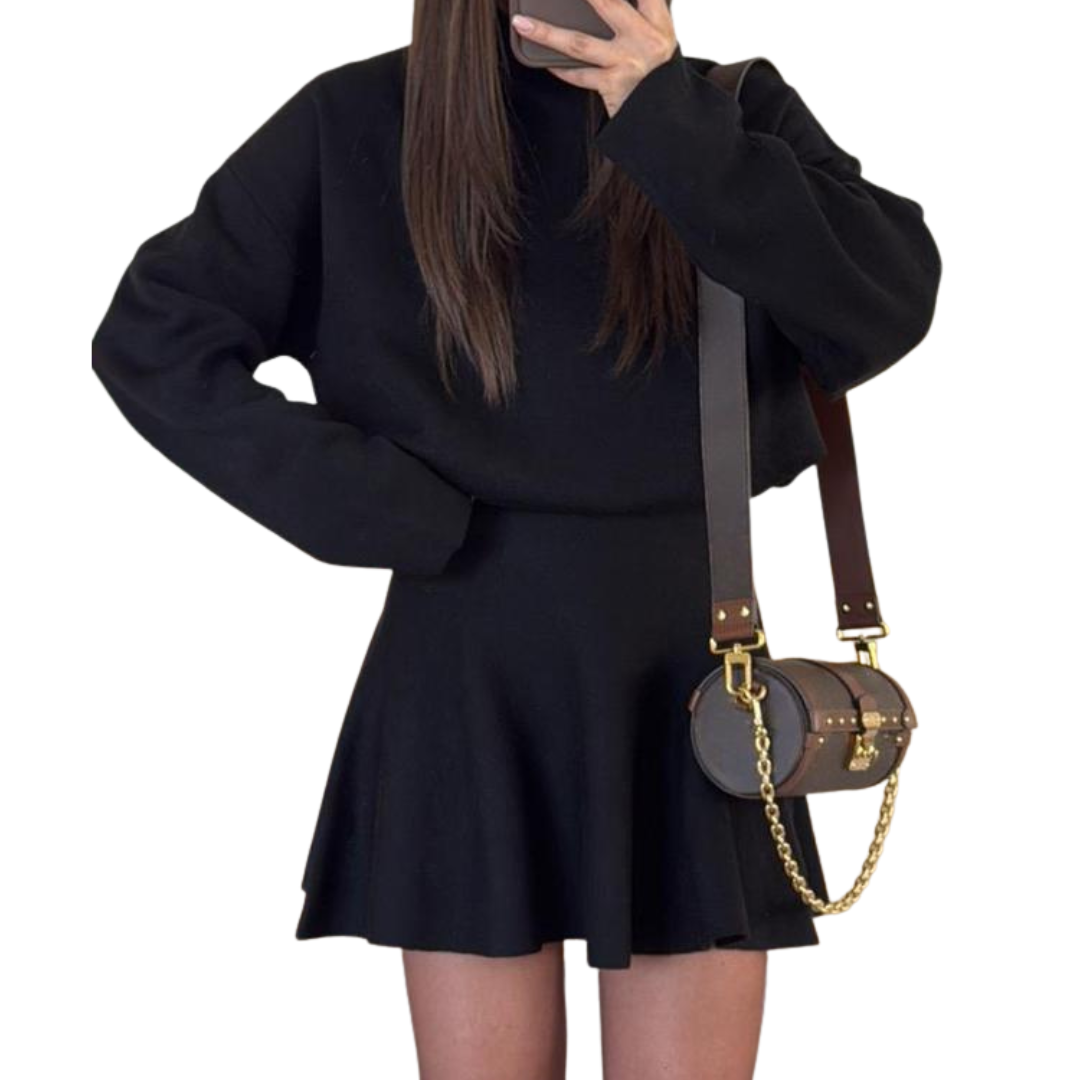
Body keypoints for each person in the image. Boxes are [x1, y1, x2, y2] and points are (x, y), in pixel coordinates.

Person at [90, 0, 941, 1075]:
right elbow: (156, 335)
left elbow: (883, 305)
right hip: (465, 658)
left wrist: (664, 115)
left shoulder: (728, 112)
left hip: (696, 666)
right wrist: (381, 507)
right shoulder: (359, 120)